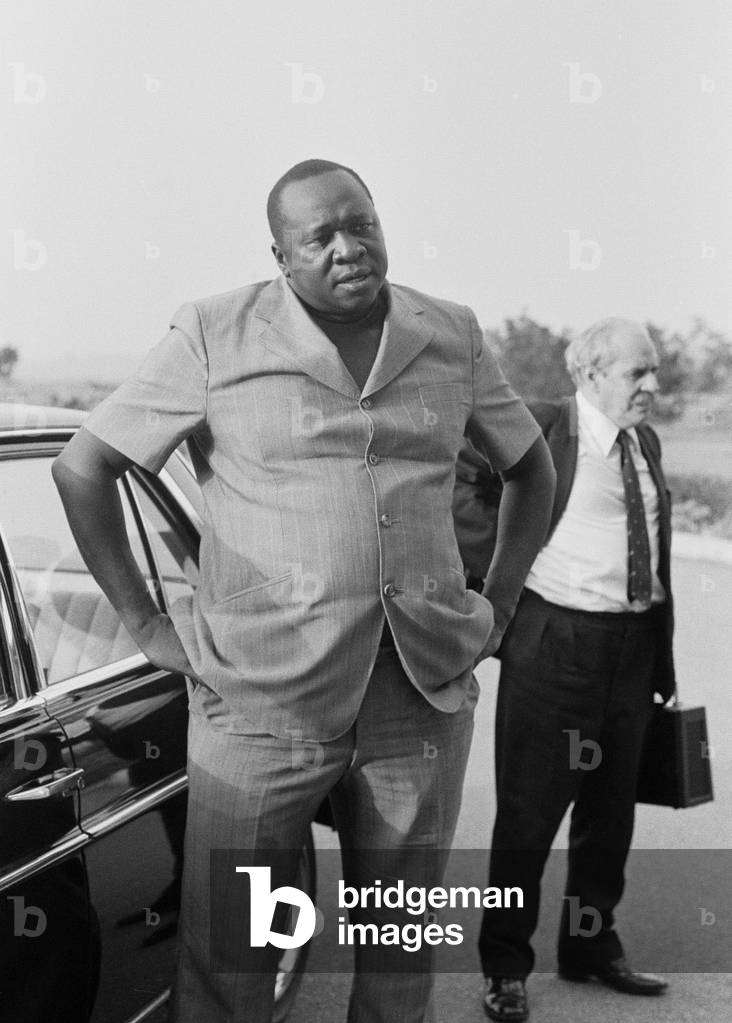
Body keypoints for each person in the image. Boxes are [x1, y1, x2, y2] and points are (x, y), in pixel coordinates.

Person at [52, 158, 555, 1023]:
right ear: (280, 256)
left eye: (361, 223)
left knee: (399, 956)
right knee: (230, 959)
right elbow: (84, 466)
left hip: (418, 697)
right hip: (258, 703)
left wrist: (499, 603)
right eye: (319, 236)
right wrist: (146, 622)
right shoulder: (216, 333)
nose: (348, 246)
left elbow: (530, 467)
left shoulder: (451, 331)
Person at [453, 318, 673, 1021]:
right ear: (590, 372)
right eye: (637, 372)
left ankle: (589, 946)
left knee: (610, 815)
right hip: (556, 643)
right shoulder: (544, 426)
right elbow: (462, 479)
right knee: (528, 813)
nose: (652, 385)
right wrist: (503, 574)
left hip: (632, 649)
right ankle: (506, 966)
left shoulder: (645, 441)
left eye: (654, 370)